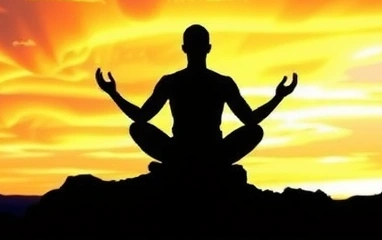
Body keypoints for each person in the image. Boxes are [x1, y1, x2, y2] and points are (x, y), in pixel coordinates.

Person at [95, 24, 297, 173]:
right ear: (208, 48)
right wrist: (278, 97)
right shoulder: (220, 82)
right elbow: (250, 120)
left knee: (137, 128)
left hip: (187, 152)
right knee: (255, 130)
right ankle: (202, 166)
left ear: (184, 48)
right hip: (206, 153)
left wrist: (113, 93)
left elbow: (141, 116)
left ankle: (178, 166)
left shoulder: (173, 81)